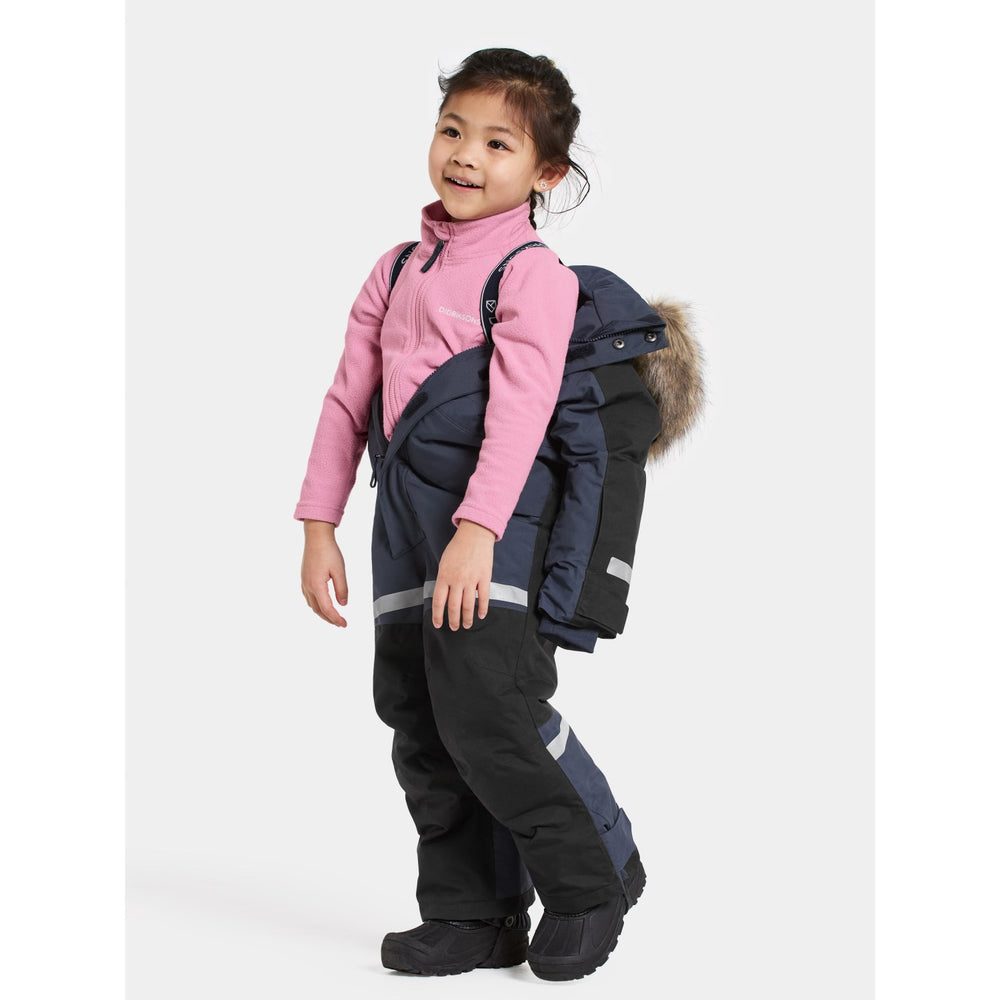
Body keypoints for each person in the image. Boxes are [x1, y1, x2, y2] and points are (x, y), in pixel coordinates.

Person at [296, 47, 664, 982]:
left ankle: (595, 875)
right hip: (403, 531)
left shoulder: (532, 274)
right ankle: (474, 911)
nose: (465, 154)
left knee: (492, 709)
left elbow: (523, 411)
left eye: (499, 143)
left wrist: (479, 530)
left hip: (494, 532)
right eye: (452, 130)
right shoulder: (394, 269)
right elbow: (347, 400)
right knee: (420, 718)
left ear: (547, 174)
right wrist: (319, 524)